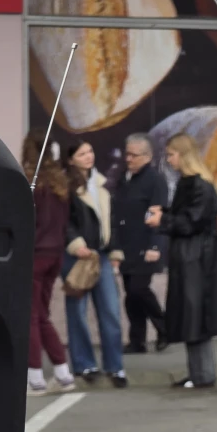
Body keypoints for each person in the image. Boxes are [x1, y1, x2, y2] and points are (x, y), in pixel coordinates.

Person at [145, 133, 217, 389]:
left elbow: (191, 222)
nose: (168, 159)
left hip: (197, 260)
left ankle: (203, 375)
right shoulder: (189, 183)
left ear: (183, 154)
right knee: (193, 318)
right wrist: (166, 214)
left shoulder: (199, 185)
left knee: (196, 317)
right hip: (190, 258)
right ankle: (198, 373)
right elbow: (188, 218)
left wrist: (163, 220)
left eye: (171, 154)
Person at [63, 139, 128, 388]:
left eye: (90, 151)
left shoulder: (101, 184)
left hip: (100, 254)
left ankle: (116, 367)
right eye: (81, 154)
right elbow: (64, 221)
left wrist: (114, 254)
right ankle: (84, 364)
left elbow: (111, 221)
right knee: (77, 313)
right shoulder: (66, 186)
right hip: (77, 256)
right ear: (71, 160)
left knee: (110, 311)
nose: (88, 156)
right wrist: (75, 243)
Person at [22, 130, 76, 397]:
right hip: (55, 255)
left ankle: (35, 379)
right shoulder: (60, 183)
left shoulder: (30, 182)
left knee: (31, 317)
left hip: (34, 255)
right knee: (42, 315)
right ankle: (63, 373)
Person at [111, 132, 169, 354]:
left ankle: (163, 328)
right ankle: (138, 340)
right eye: (127, 154)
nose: (128, 159)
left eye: (133, 155)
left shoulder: (155, 180)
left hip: (146, 247)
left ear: (147, 156)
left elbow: (158, 213)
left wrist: (155, 246)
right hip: (126, 248)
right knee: (131, 294)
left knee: (139, 289)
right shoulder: (124, 179)